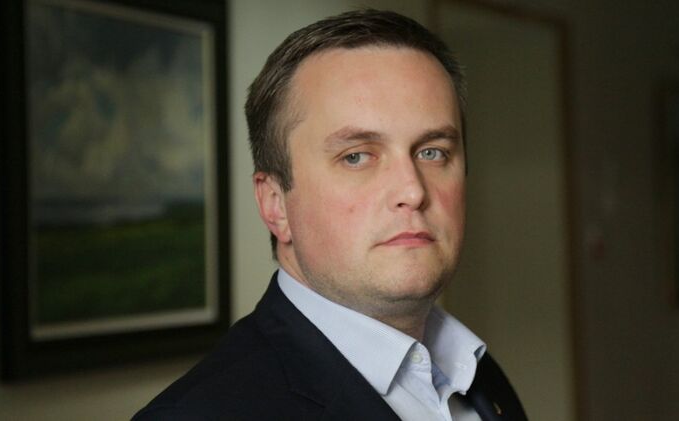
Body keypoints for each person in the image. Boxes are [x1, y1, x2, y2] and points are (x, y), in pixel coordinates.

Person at [134, 9, 526, 421]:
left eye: (432, 152)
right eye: (356, 156)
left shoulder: (477, 374)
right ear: (275, 204)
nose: (412, 191)